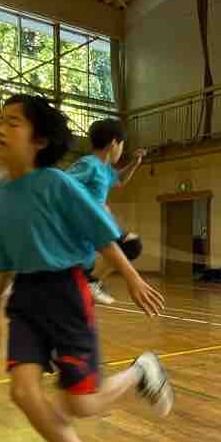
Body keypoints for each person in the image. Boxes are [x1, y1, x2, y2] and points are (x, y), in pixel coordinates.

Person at [0, 94, 173, 442]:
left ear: (39, 139)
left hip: (67, 293)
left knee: (79, 406)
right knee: (22, 391)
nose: (1, 129)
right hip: (26, 298)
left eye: (13, 122)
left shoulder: (58, 183)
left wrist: (133, 278)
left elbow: (101, 234)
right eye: (0, 120)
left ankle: (141, 371)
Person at [66, 118, 146, 306]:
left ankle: (91, 281)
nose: (121, 149)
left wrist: (134, 163)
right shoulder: (89, 164)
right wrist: (95, 206)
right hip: (82, 228)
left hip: (96, 229)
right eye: (122, 144)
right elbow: (65, 184)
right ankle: (90, 281)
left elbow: (119, 180)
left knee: (132, 244)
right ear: (113, 143)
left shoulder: (105, 169)